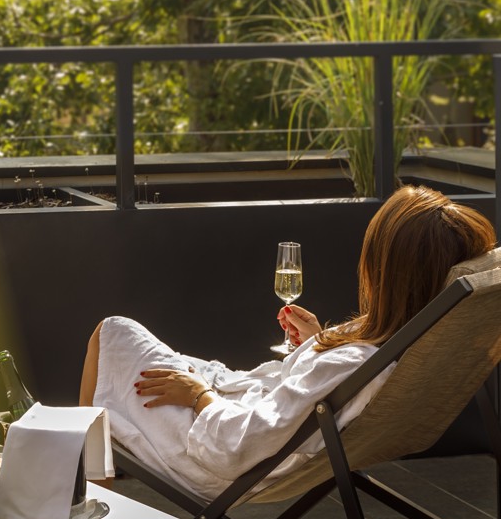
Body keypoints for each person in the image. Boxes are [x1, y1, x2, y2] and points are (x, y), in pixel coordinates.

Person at [80, 185, 496, 500]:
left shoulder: (351, 362)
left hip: (214, 453)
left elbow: (236, 448)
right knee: (122, 356)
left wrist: (199, 396)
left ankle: (93, 512)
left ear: (388, 270)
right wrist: (318, 343)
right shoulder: (399, 349)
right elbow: (322, 397)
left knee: (112, 333)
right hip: (248, 428)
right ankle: (94, 506)